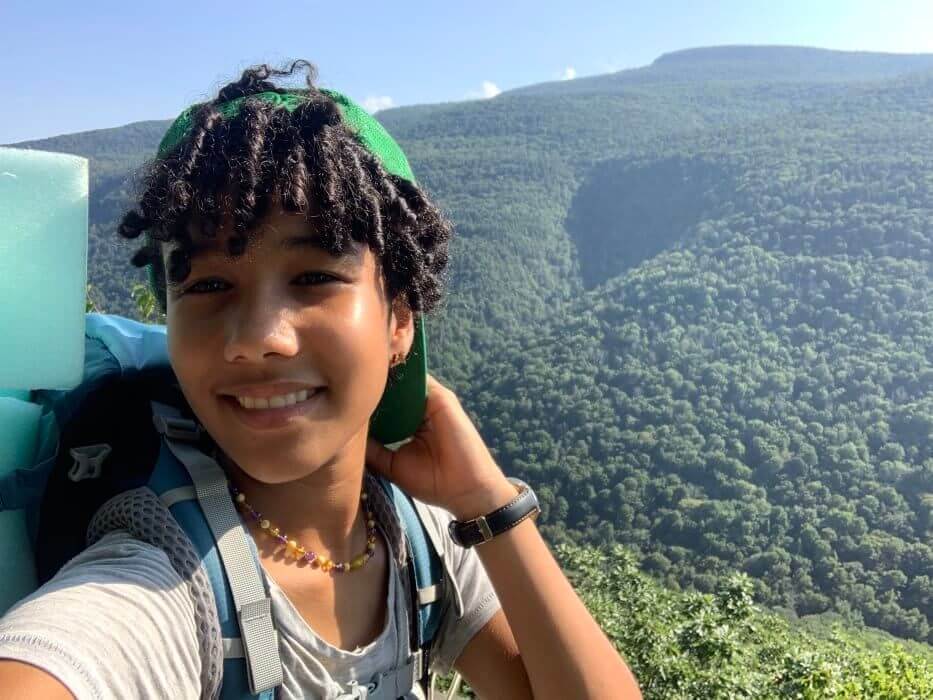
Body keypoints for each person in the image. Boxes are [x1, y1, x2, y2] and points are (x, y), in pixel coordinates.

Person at [0, 61, 641, 699]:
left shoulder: (414, 535)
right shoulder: (154, 585)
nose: (259, 338)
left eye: (314, 277)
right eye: (208, 285)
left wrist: (489, 506)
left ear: (399, 319)